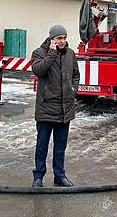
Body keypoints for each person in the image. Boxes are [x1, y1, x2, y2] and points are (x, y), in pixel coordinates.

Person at [31, 24, 80, 188]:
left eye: (64, 38)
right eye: (59, 38)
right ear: (52, 39)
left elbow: (75, 74)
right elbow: (38, 70)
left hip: (65, 109)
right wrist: (51, 53)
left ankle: (60, 175)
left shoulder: (70, 54)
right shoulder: (39, 53)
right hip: (46, 108)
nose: (63, 41)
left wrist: (73, 90)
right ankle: (38, 176)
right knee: (42, 146)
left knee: (60, 147)